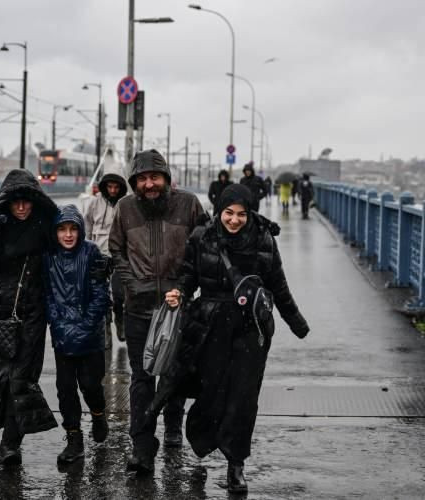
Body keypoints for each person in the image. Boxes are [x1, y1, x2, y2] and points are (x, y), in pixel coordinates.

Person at [163, 184, 310, 494]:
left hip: (250, 329)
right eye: (229, 213)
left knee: (243, 398)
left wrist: (296, 322)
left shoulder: (263, 240)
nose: (234, 220)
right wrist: (180, 292)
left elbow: (278, 285)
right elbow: (188, 274)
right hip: (210, 325)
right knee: (211, 392)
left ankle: (236, 464)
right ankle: (202, 436)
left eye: (241, 214)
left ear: (250, 213)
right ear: (220, 212)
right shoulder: (203, 236)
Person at [109, 149, 204, 474]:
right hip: (138, 307)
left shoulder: (188, 205)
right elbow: (116, 249)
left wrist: (186, 287)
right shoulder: (125, 208)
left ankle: (174, 427)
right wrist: (131, 284)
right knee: (142, 378)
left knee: (175, 374)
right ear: (135, 182)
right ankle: (142, 445)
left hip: (178, 307)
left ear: (166, 178)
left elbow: (204, 246)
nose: (149, 184)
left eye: (155, 177)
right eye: (143, 179)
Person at [0, 169, 59, 466]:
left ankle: (10, 444)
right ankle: (3, 426)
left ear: (34, 201)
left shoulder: (44, 224)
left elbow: (64, 254)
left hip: (31, 312)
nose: (21, 207)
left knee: (22, 378)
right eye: (15, 201)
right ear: (6, 201)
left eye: (26, 202)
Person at [42, 205, 110, 464]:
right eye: (62, 229)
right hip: (62, 334)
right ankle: (74, 439)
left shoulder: (91, 252)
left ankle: (98, 413)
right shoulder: (49, 256)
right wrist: (57, 322)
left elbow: (101, 294)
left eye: (73, 229)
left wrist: (84, 326)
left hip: (89, 335)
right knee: (65, 389)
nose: (68, 235)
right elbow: (47, 294)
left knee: (91, 384)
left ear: (80, 230)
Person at [84, 163, 128, 346]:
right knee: (101, 296)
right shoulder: (94, 203)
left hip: (118, 254)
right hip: (98, 254)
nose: (112, 190)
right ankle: (105, 330)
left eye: (116, 187)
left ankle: (120, 319)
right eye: (109, 186)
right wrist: (87, 249)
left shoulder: (125, 204)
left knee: (119, 293)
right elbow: (87, 224)